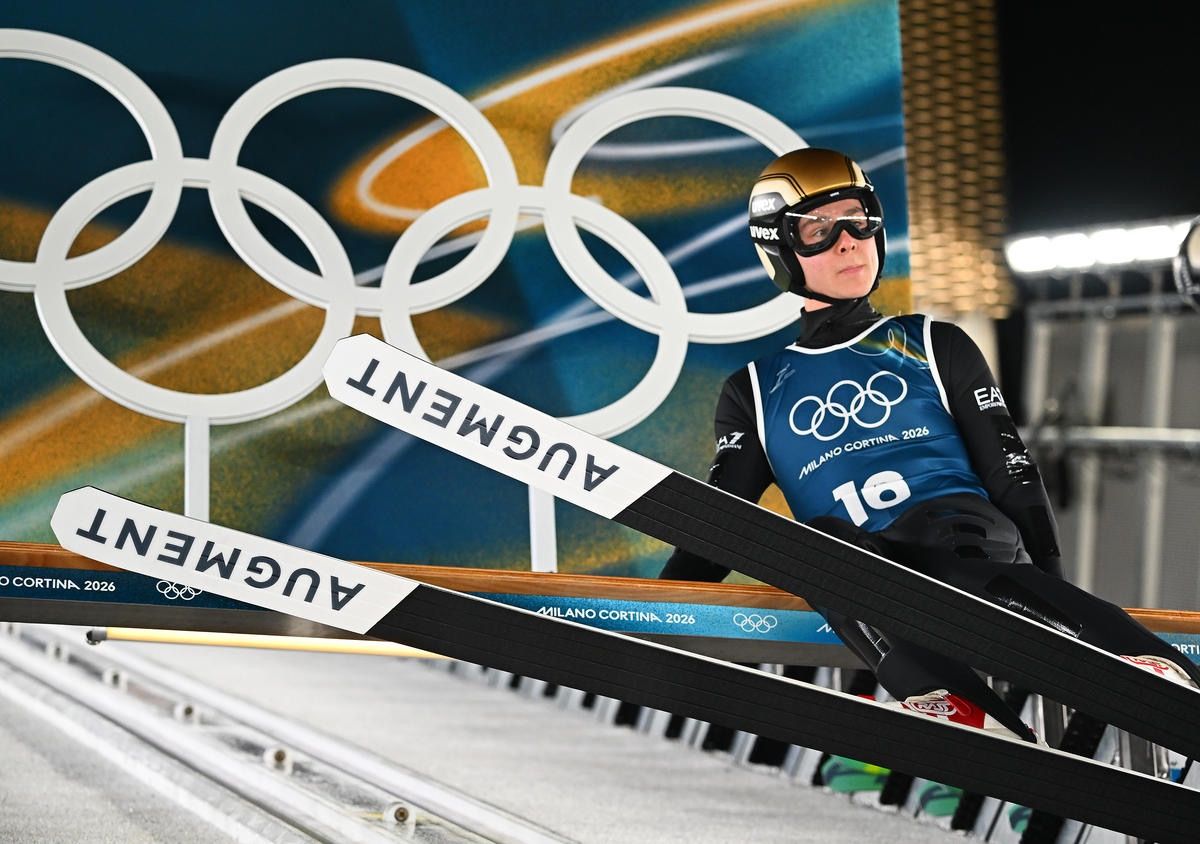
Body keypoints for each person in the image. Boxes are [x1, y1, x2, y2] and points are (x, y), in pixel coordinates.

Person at [660, 147, 1198, 741]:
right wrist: (649, 616)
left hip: (965, 545)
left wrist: (1053, 583)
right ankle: (962, 711)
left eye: (857, 220)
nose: (847, 242)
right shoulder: (755, 391)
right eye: (819, 229)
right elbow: (719, 526)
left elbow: (1012, 471)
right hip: (865, 576)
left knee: (946, 538)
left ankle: (1140, 665)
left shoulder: (932, 342)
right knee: (816, 544)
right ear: (781, 251)